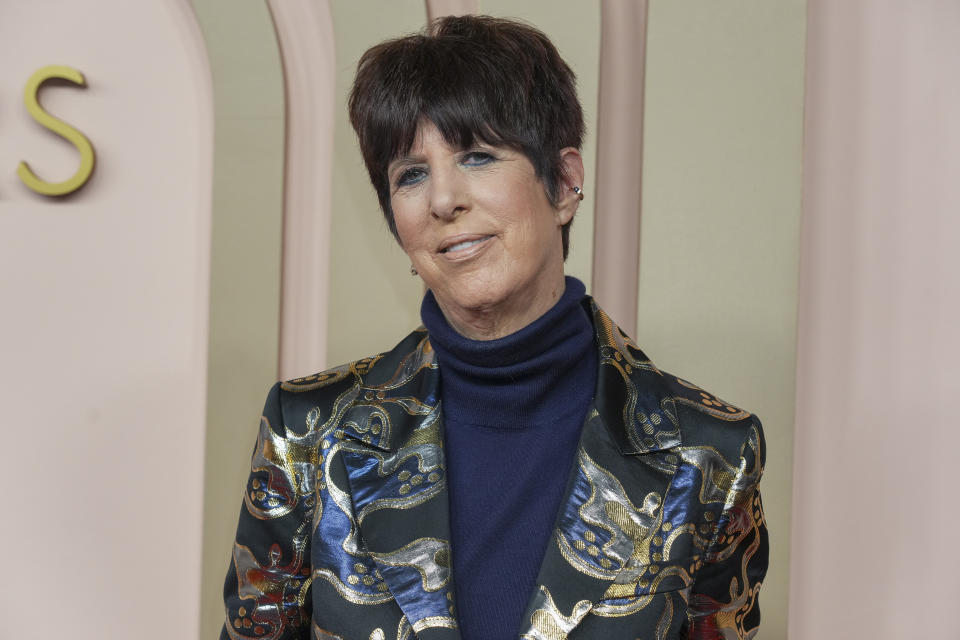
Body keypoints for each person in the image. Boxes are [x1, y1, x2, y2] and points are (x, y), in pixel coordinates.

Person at [221, 15, 767, 640]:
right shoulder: (308, 432)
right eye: (411, 174)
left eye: (478, 156)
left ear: (564, 183)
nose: (442, 200)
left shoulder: (711, 454)